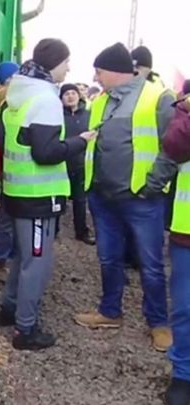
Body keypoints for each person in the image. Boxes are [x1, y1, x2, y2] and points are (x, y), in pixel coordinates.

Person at [0, 38, 97, 350]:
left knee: (23, 258)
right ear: (54, 63)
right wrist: (80, 141)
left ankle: (9, 309)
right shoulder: (46, 99)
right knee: (37, 262)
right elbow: (46, 152)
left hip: (16, 190)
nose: (69, 68)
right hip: (39, 196)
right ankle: (25, 329)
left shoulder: (17, 94)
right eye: (66, 62)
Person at [74, 43, 177, 353]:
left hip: (142, 199)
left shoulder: (158, 97)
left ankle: (158, 323)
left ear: (116, 71)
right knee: (108, 258)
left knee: (150, 263)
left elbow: (172, 146)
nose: (96, 77)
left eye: (99, 71)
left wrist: (152, 184)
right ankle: (110, 311)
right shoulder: (101, 101)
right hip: (103, 197)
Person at [162, 93, 190, 405]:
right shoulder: (185, 111)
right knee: (186, 308)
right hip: (187, 231)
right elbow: (174, 145)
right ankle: (184, 374)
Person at [0, 61, 20, 283]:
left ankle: (3, 256)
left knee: (7, 215)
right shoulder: (8, 96)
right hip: (12, 162)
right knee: (10, 217)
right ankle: (3, 258)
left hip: (3, 160)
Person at [60, 83, 95, 245]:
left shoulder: (89, 115)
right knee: (59, 199)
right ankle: (53, 231)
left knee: (80, 201)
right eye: (66, 94)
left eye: (73, 93)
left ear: (79, 96)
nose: (70, 96)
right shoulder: (56, 115)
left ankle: (81, 232)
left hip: (82, 164)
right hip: (61, 163)